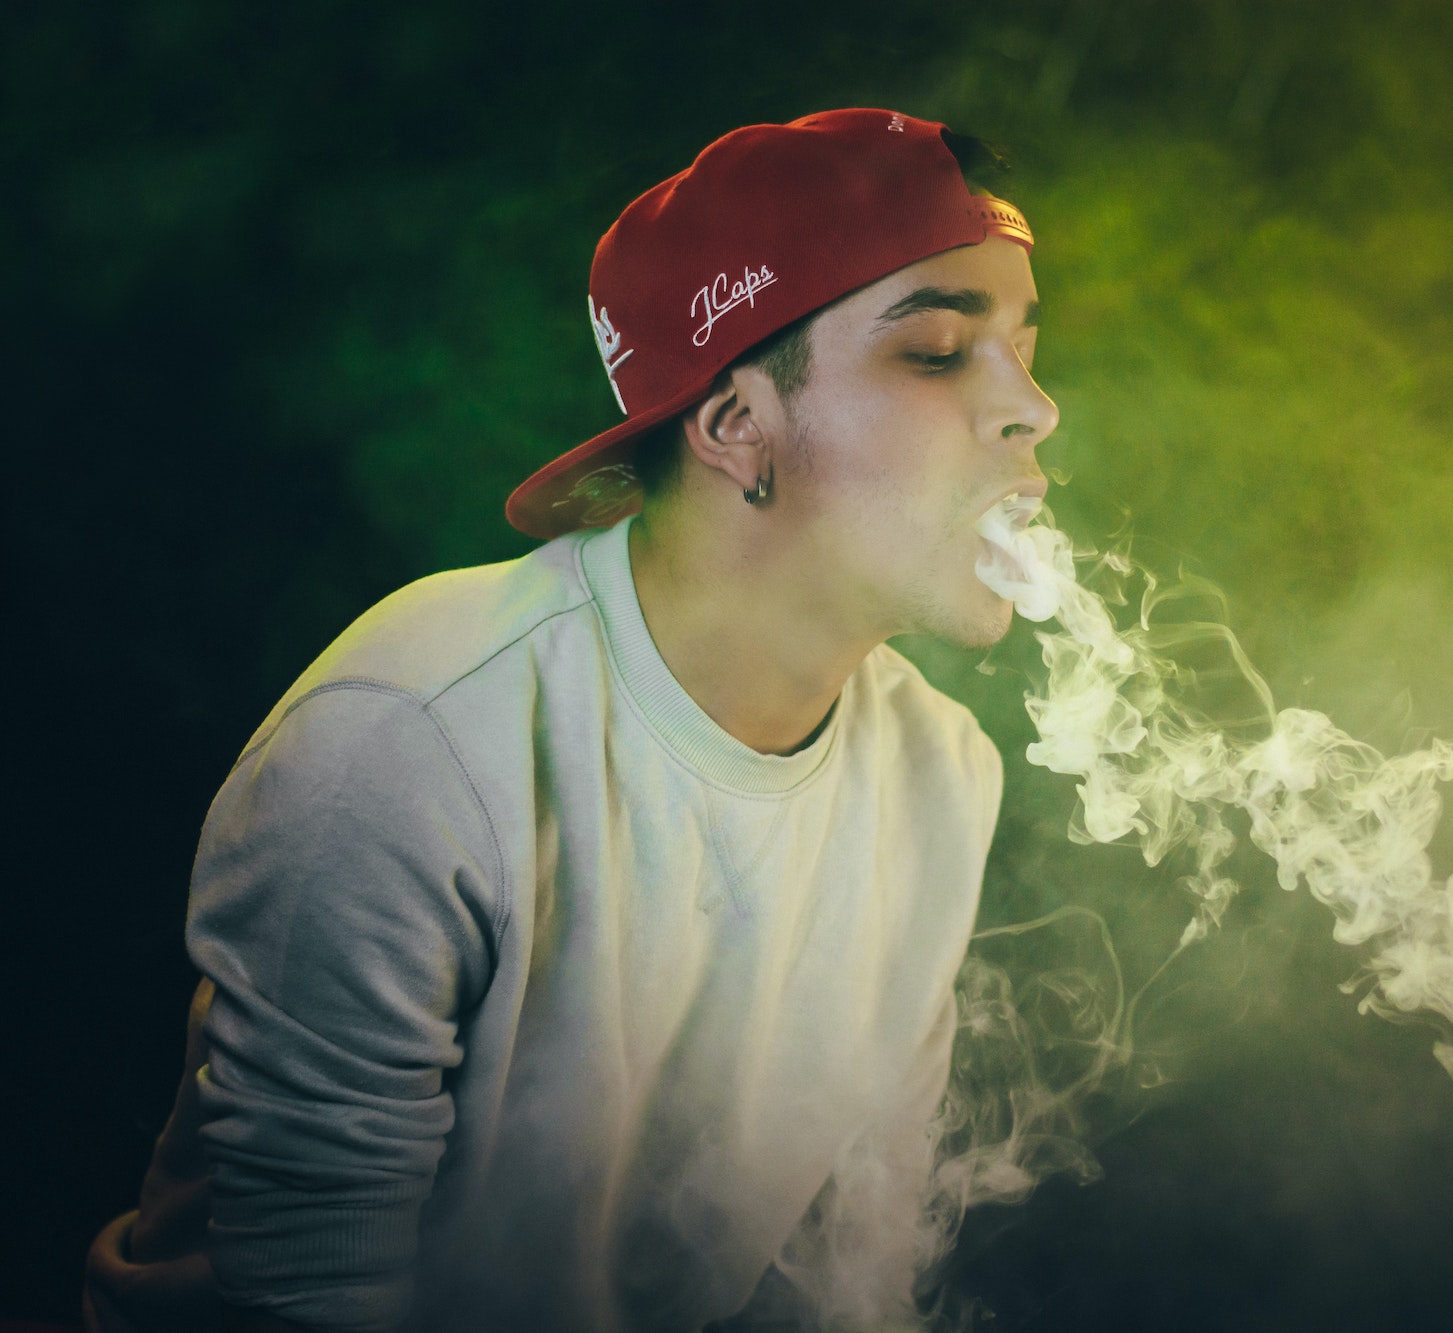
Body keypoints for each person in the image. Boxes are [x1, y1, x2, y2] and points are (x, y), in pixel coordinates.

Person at [83, 107, 1057, 1333]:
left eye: (1024, 350)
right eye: (938, 352)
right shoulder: (416, 738)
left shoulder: (940, 776)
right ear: (734, 426)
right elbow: (305, 1300)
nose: (1034, 409)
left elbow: (842, 1279)